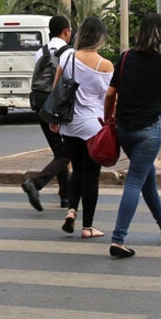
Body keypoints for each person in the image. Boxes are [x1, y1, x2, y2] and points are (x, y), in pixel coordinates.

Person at [103, 14, 161, 259]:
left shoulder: (125, 58)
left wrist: (108, 118)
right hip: (148, 134)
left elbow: (110, 94)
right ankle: (118, 238)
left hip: (124, 130)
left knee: (147, 178)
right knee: (135, 180)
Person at [51, 16, 113, 239]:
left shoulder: (67, 57)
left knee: (76, 169)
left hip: (69, 125)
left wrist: (55, 118)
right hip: (92, 127)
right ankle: (87, 227)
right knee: (91, 176)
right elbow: (109, 97)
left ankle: (71, 211)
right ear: (100, 37)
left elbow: (56, 88)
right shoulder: (104, 65)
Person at [22, 15, 73, 212]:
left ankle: (65, 196)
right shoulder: (68, 52)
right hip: (58, 105)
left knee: (59, 151)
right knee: (65, 152)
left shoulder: (40, 52)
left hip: (41, 105)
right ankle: (35, 184)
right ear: (66, 31)